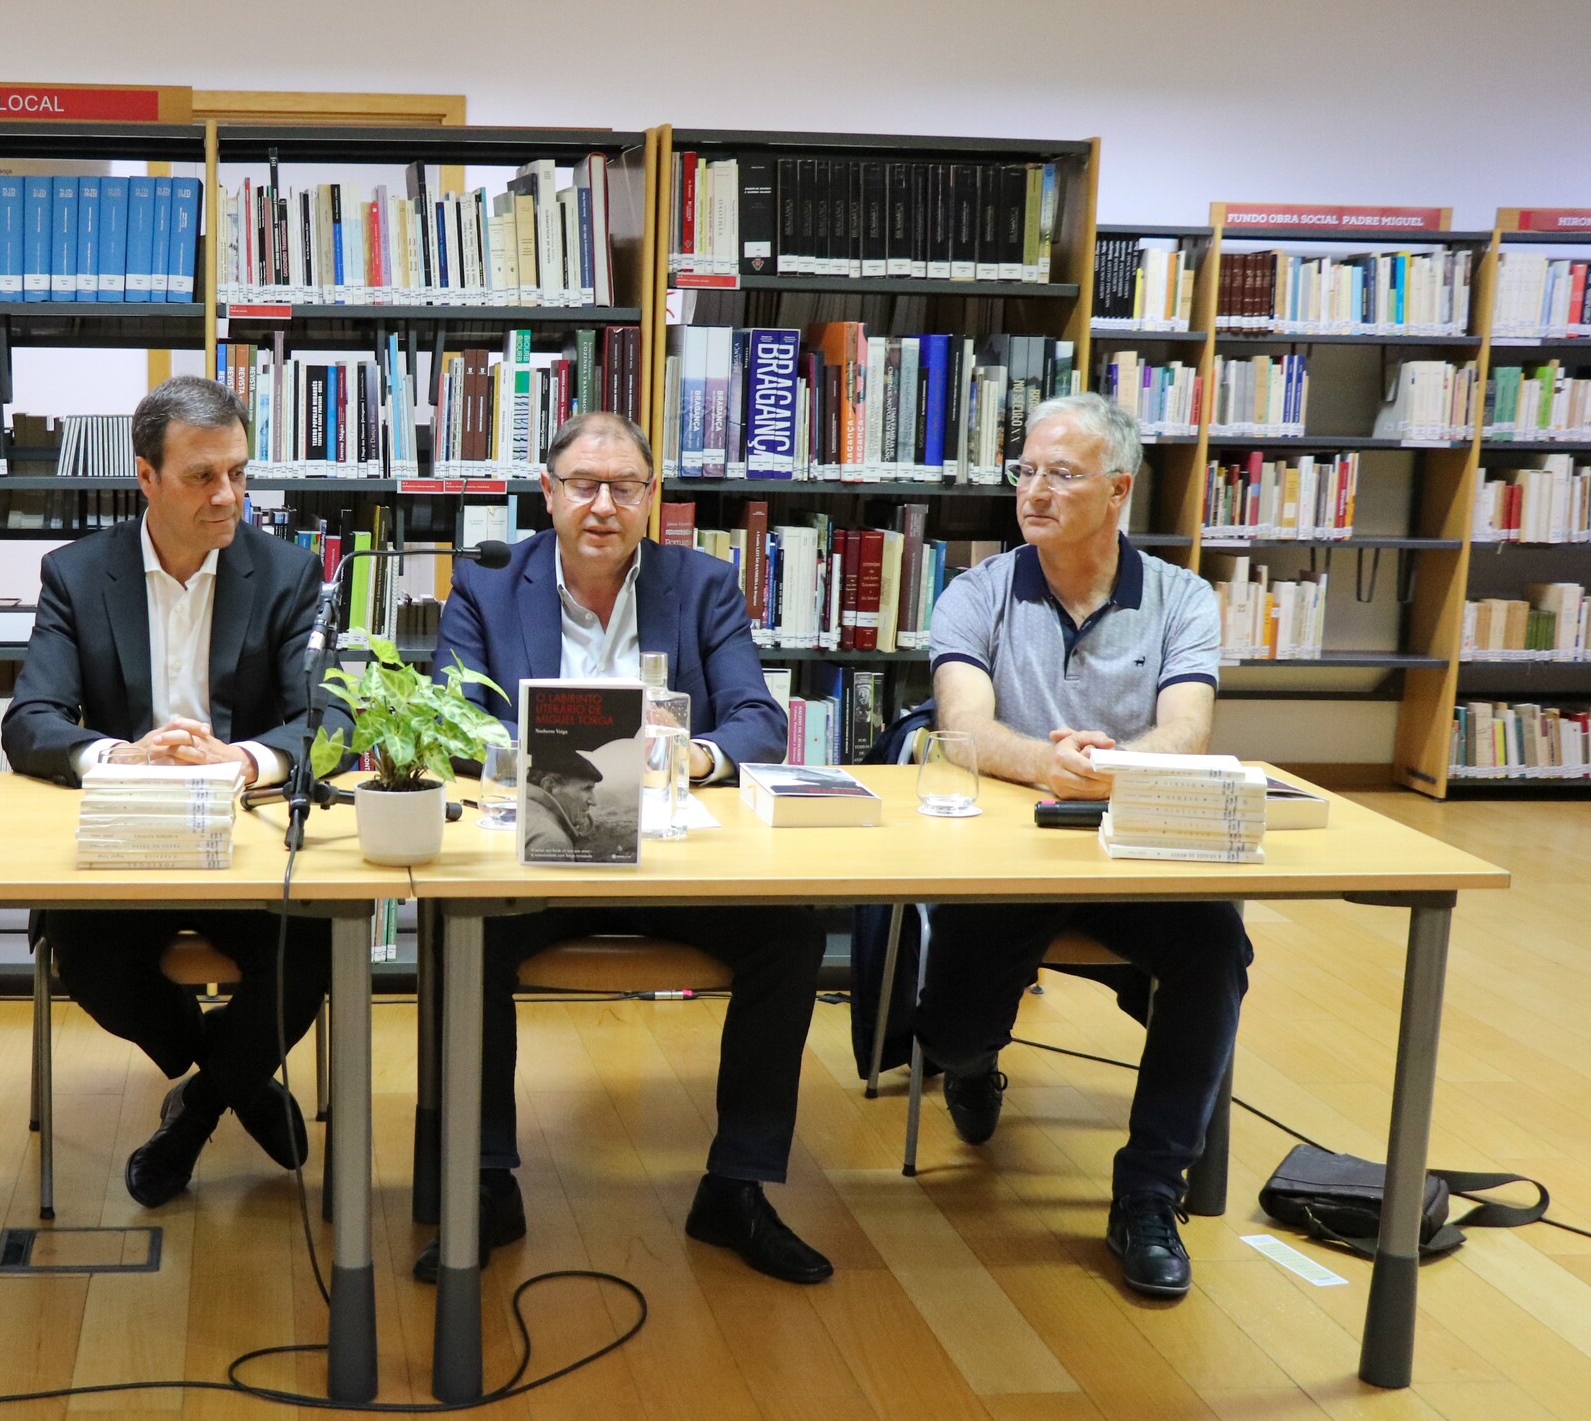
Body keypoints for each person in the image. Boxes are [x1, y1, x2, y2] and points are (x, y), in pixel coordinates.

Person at [427, 409, 833, 1286]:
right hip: (538, 851)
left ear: (653, 497)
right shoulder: (489, 584)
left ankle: (737, 1188)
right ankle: (487, 1181)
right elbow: (448, 721)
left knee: (792, 932)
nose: (602, 505)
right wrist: (562, 753)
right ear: (548, 493)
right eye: (583, 485)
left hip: (667, 856)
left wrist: (692, 753)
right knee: (461, 931)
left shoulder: (702, 585)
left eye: (624, 487)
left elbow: (759, 722)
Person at [916, 391, 1251, 1299]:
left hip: (1130, 849)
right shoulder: (975, 592)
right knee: (947, 1032)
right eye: (1025, 471)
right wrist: (1049, 766)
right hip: (1007, 858)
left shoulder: (1182, 597)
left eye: (1061, 475)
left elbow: (1187, 732)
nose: (1034, 491)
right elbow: (964, 730)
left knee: (1217, 949)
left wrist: (1110, 773)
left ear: (1117, 490)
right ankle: (975, 1066)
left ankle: (1147, 1194)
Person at [2, 375, 335, 1209]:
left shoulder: (287, 574)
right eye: (201, 476)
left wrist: (239, 762)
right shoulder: (78, 574)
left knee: (313, 950)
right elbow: (30, 720)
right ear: (145, 477)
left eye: (238, 472)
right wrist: (121, 757)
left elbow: (326, 723)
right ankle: (242, 1080)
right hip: (129, 836)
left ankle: (194, 1116)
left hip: (242, 841)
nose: (227, 496)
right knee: (87, 956)